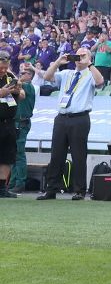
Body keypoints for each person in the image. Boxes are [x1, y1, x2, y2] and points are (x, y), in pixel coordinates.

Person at [37, 47, 103, 200]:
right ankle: (51, 189)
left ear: (89, 58)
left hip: (80, 118)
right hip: (62, 117)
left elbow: (100, 82)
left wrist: (89, 64)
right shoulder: (67, 73)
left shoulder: (90, 74)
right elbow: (47, 76)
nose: (79, 58)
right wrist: (58, 62)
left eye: (83, 55)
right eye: (77, 55)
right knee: (56, 154)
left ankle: (79, 190)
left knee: (79, 155)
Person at [6, 65, 36, 195]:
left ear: (30, 75)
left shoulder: (28, 86)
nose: (21, 74)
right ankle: (12, 183)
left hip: (22, 123)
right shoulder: (21, 87)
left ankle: (20, 183)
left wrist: (9, 71)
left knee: (19, 153)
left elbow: (17, 84)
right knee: (13, 154)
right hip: (16, 122)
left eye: (24, 73)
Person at [0, 59, 24, 198]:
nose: (3, 70)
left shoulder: (10, 78)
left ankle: (2, 188)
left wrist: (16, 91)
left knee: (6, 156)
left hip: (8, 123)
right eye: (1, 67)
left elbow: (22, 95)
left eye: (5, 67)